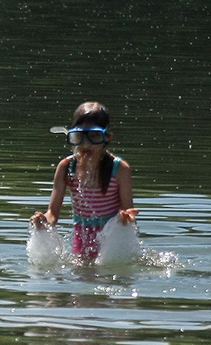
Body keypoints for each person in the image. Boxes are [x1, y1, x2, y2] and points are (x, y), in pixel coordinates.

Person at [30, 101, 138, 260]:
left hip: (112, 248)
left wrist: (125, 218)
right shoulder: (66, 167)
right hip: (80, 249)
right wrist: (42, 222)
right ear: (72, 137)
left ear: (106, 137)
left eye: (94, 136)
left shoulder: (120, 169)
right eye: (80, 137)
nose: (86, 144)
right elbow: (52, 214)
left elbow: (128, 212)